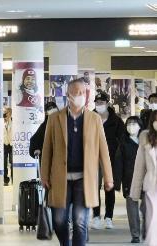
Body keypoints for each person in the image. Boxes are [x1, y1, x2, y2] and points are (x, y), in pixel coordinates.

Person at [41, 78, 114, 246]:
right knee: (59, 220)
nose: (80, 95)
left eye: (82, 92)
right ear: (68, 95)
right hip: (60, 178)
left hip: (84, 178)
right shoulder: (55, 119)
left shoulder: (94, 119)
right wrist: (44, 175)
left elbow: (103, 150)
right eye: (76, 92)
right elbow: (47, 150)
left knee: (80, 221)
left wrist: (108, 177)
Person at [91, 91, 124, 230]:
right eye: (97, 103)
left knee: (109, 186)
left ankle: (109, 217)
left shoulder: (116, 120)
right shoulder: (89, 118)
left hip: (110, 158)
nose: (99, 105)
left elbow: (122, 139)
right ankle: (96, 216)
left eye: (102, 103)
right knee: (93, 187)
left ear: (107, 103)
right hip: (93, 158)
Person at [114, 116, 145, 243]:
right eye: (129, 123)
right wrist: (117, 182)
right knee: (132, 210)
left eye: (134, 123)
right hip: (129, 180)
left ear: (140, 125)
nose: (131, 126)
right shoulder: (123, 143)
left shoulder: (147, 141)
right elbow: (118, 163)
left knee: (148, 208)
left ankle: (148, 231)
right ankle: (136, 234)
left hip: (147, 179)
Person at [130, 110, 157, 245]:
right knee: (151, 223)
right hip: (151, 188)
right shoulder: (145, 138)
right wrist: (135, 192)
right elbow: (139, 167)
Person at [3, 108, 13, 185]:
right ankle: (5, 179)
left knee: (12, 162)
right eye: (4, 112)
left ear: (10, 113)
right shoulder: (1, 121)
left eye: (6, 112)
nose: (5, 114)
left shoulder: (13, 121)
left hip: (12, 144)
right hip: (4, 144)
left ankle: (13, 177)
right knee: (4, 162)